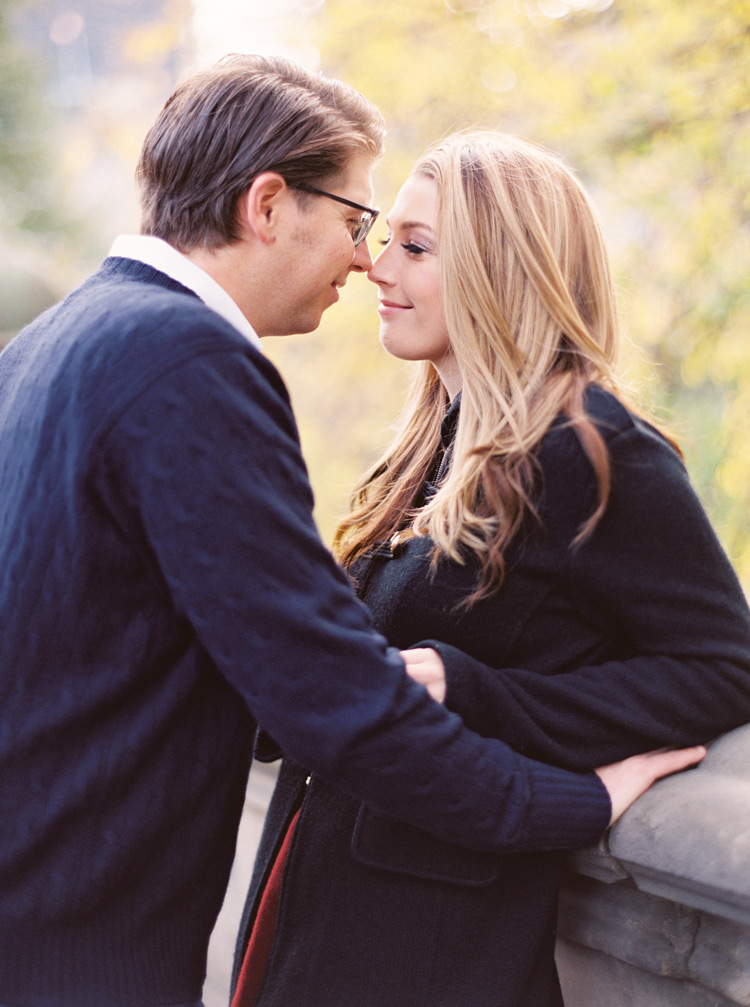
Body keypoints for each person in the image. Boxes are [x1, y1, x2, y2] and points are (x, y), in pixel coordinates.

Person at [0, 59, 691, 1007]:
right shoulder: (190, 361)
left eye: (407, 241)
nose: (365, 260)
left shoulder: (46, 344)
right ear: (269, 204)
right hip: (87, 959)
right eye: (361, 223)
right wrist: (574, 800)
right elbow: (329, 694)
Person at [231, 130, 750, 1007]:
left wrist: (472, 690)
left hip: (433, 954)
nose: (375, 266)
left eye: (415, 246)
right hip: (315, 910)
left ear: (502, 269)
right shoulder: (429, 448)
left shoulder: (596, 450)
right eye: (387, 236)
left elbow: (723, 669)